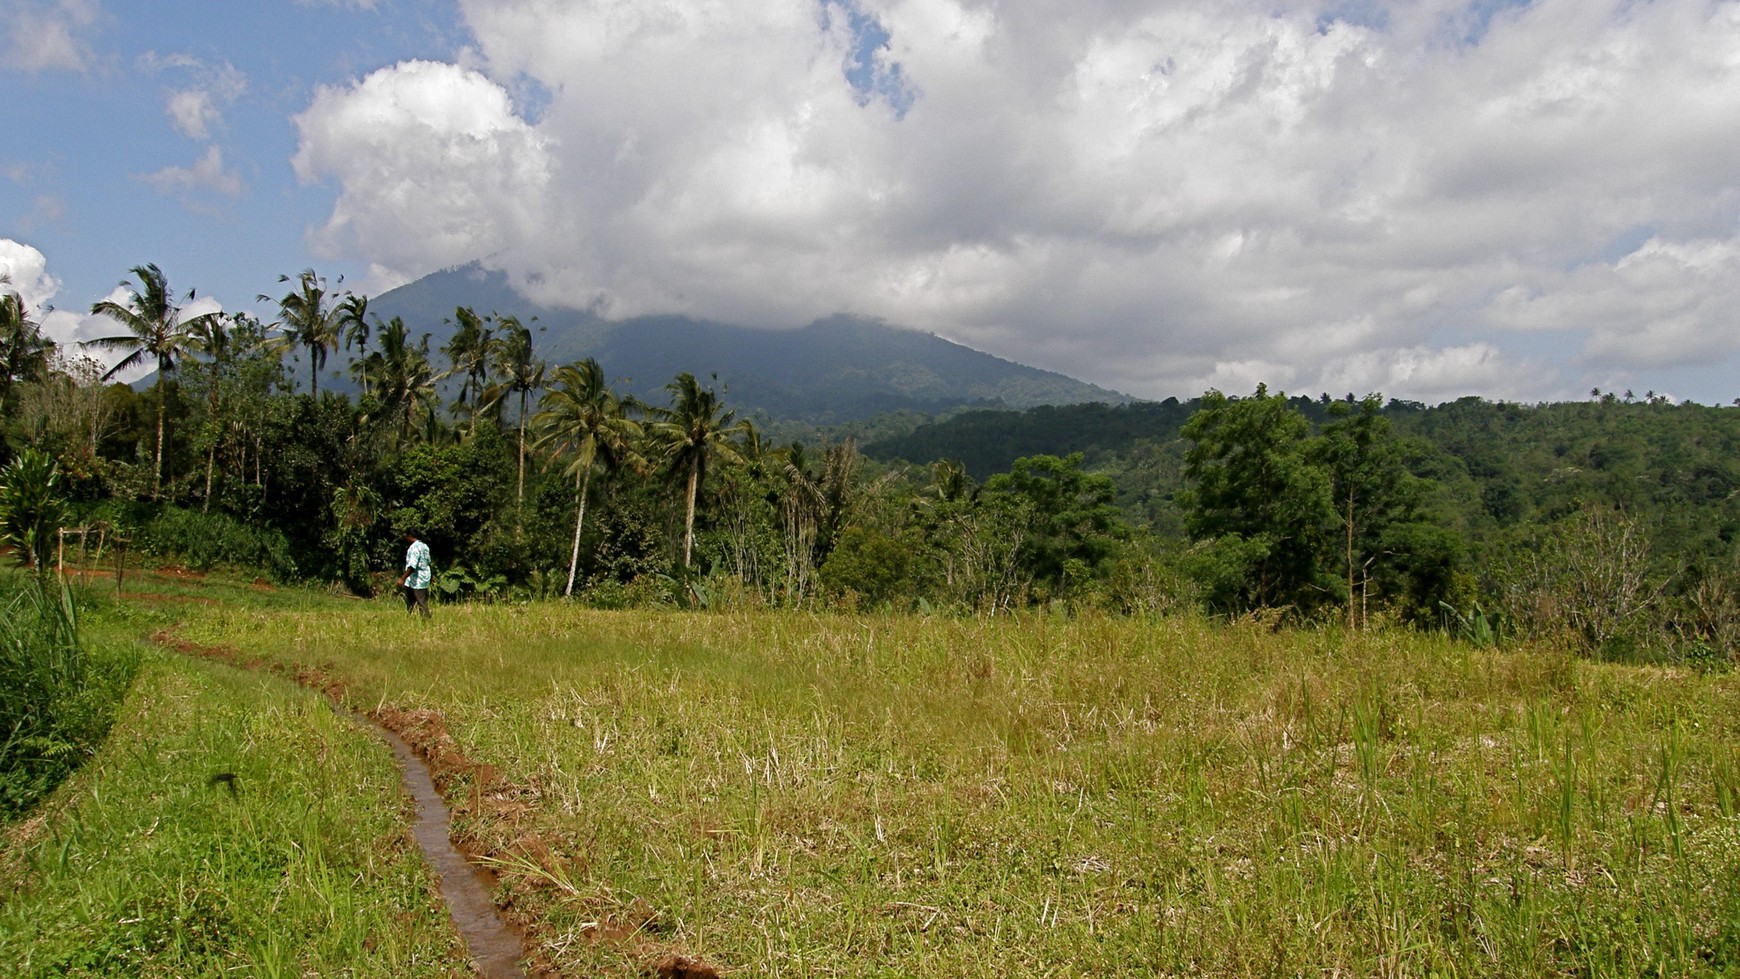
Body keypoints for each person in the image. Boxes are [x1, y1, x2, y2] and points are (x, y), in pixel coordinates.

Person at [400, 530, 432, 619]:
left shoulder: (414, 548)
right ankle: (413, 619)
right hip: (424, 577)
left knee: (420, 602)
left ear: (410, 536)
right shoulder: (424, 546)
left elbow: (412, 566)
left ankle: (425, 619)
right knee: (412, 600)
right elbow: (429, 562)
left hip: (416, 579)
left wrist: (402, 578)